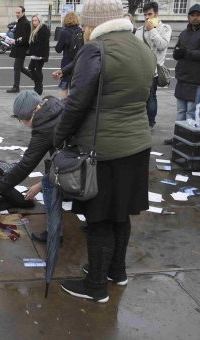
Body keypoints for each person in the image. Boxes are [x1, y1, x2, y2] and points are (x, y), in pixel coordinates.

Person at [54, 0, 155, 303]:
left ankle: (96, 285)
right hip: (137, 144)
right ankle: (117, 272)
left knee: (99, 218)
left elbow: (77, 101)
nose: (84, 31)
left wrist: (59, 136)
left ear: (93, 24)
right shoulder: (140, 47)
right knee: (121, 213)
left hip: (104, 149)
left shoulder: (96, 49)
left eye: (85, 25)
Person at [0, 91, 63, 241]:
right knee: (47, 180)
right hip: (86, 156)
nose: (24, 124)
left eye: (22, 120)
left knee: (49, 188)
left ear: (29, 115)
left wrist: (0, 186)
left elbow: (27, 163)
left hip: (78, 163)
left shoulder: (44, 126)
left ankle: (54, 234)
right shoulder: (53, 104)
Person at [165, 3, 200, 145]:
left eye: (198, 15)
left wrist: (186, 52)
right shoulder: (184, 32)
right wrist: (176, 53)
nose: (195, 18)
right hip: (182, 76)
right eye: (192, 15)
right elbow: (178, 50)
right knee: (180, 111)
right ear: (188, 16)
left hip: (196, 78)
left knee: (191, 111)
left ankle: (186, 139)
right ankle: (178, 137)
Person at [134, 1, 171, 129]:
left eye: (149, 14)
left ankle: (150, 122)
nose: (147, 17)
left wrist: (152, 31)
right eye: (145, 15)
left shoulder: (165, 28)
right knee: (140, 97)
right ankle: (140, 120)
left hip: (154, 69)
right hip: (140, 69)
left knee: (151, 97)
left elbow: (162, 45)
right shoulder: (139, 30)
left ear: (156, 14)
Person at [53, 12, 82, 99]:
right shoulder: (81, 31)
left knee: (64, 86)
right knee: (75, 85)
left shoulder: (64, 32)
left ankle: (64, 106)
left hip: (66, 62)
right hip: (78, 62)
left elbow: (58, 49)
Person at [21, 15, 49, 95]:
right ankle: (38, 84)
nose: (34, 22)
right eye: (33, 20)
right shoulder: (35, 29)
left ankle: (39, 87)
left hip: (40, 54)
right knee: (31, 68)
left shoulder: (43, 29)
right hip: (35, 54)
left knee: (38, 69)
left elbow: (43, 44)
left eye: (36, 20)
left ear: (39, 21)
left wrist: (40, 54)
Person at [7, 6, 31, 93]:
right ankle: (35, 78)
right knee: (20, 67)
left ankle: (16, 87)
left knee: (17, 67)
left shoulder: (25, 23)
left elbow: (25, 38)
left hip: (22, 48)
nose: (17, 14)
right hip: (18, 47)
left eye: (18, 13)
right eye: (16, 12)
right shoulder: (20, 21)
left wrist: (15, 41)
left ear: (23, 13)